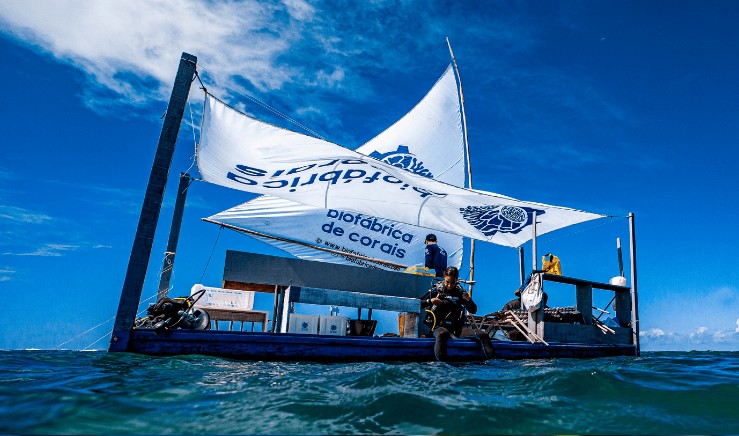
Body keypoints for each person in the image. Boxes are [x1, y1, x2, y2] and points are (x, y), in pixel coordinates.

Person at [419, 266, 477, 337]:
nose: (449, 285)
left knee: (482, 335)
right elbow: (417, 304)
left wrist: (469, 300)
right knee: (443, 334)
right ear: (444, 278)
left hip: (456, 329)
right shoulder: (436, 290)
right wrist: (430, 301)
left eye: (452, 283)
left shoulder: (460, 293)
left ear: (456, 280)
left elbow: (473, 310)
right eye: (447, 282)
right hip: (439, 328)